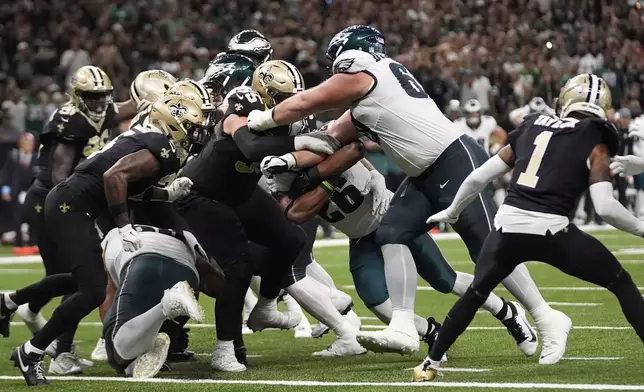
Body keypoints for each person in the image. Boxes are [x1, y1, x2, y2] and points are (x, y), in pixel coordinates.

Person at [247, 25, 569, 360]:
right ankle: (403, 325)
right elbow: (327, 139)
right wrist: (288, 155)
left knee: (488, 251)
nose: (333, 71)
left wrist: (262, 120)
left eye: (335, 64)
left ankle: (546, 315)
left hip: (452, 159)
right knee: (392, 232)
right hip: (423, 175)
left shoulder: (366, 70)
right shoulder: (371, 96)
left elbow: (310, 100)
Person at [413, 74, 644, 381]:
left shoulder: (532, 126)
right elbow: (604, 207)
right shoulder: (595, 139)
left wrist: (453, 210)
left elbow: (480, 177)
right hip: (553, 232)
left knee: (476, 292)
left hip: (507, 229)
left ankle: (430, 364)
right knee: (621, 282)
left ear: (565, 101)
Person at [0, 95, 204, 386]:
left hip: (75, 202)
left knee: (83, 280)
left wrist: (167, 194)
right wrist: (123, 225)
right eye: (192, 127)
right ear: (173, 123)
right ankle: (31, 352)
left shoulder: (149, 138)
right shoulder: (161, 145)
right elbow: (113, 177)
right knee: (94, 290)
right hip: (71, 205)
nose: (197, 134)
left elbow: (129, 186)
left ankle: (9, 301)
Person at [174, 58, 313, 371]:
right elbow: (250, 148)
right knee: (238, 268)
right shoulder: (243, 103)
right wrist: (301, 141)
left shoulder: (294, 118)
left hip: (240, 192)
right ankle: (225, 349)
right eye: (281, 98)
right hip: (201, 195)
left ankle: (264, 307)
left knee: (291, 239)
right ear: (263, 95)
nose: (290, 105)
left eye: (294, 96)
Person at [17, 65, 137, 374]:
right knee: (80, 280)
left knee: (78, 280)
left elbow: (133, 104)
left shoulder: (106, 110)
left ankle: (14, 304)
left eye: (102, 96)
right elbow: (61, 177)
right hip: (53, 202)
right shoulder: (69, 121)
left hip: (75, 202)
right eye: (91, 97)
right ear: (77, 95)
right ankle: (60, 353)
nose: (98, 103)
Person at [101, 224, 212, 378]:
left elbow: (108, 295)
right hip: (186, 277)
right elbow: (213, 281)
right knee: (134, 353)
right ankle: (141, 354)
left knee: (117, 357)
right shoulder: (187, 235)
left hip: (141, 267)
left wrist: (107, 334)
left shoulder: (115, 233)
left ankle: (165, 307)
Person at [2, 133, 38, 255]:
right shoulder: (13, 156)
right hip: (16, 192)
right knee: (17, 218)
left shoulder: (36, 158)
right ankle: (18, 244)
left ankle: (33, 243)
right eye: (25, 142)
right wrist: (5, 190)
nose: (28, 145)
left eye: (30, 142)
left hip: (31, 192)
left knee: (33, 218)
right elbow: (6, 175)